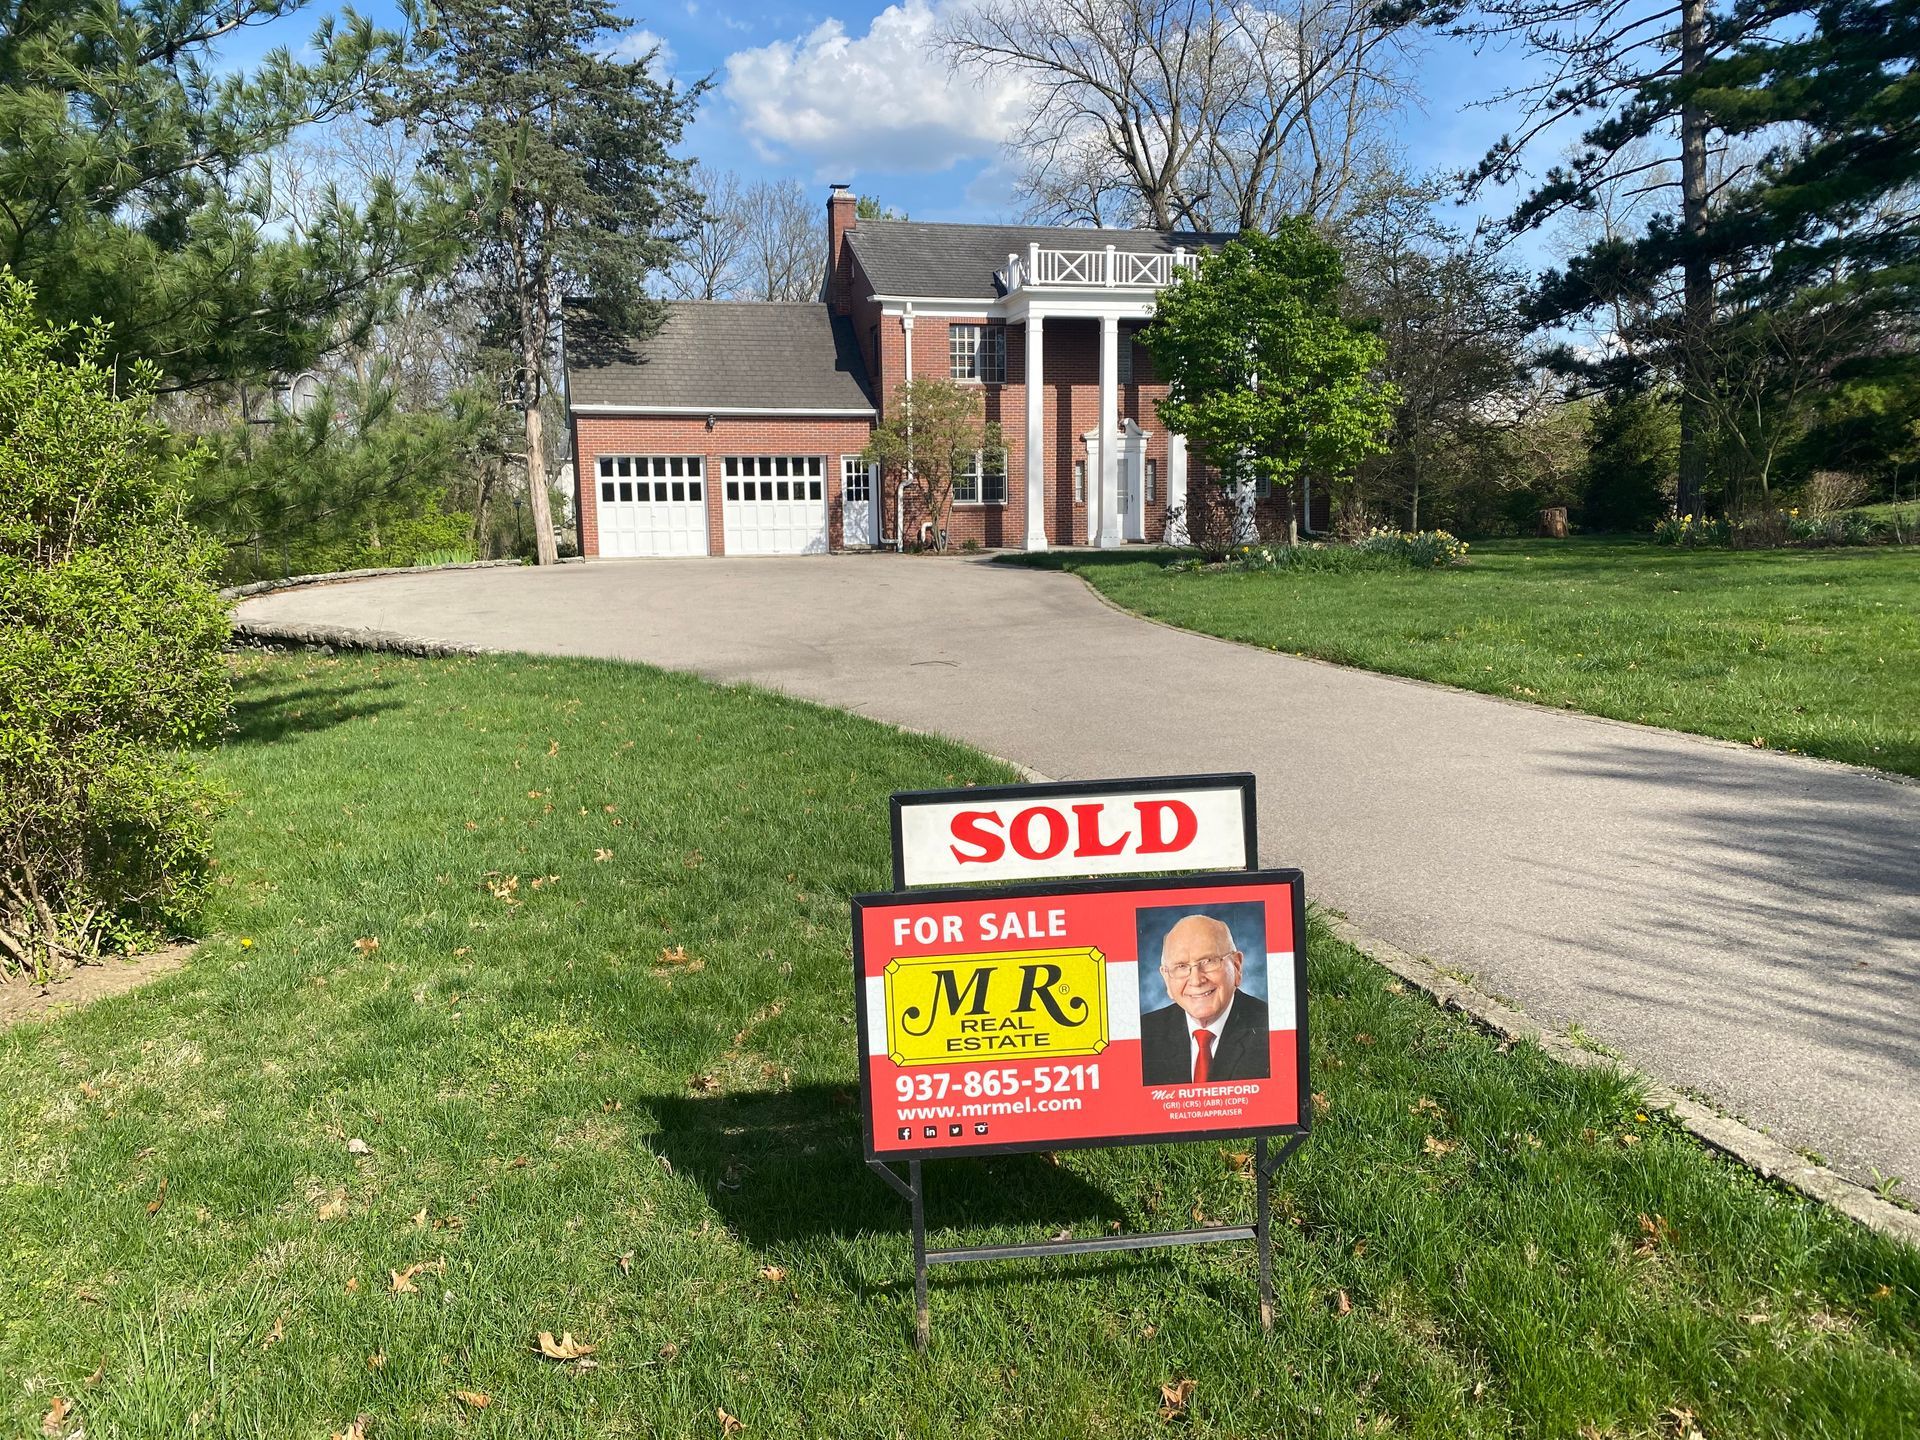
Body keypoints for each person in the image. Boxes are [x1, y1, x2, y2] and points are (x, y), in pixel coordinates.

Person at [1139, 913, 1269, 1084]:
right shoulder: (1144, 1034)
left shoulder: (1272, 1027)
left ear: (1236, 966)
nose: (1196, 980)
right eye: (1181, 966)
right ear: (1166, 978)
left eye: (1208, 961)